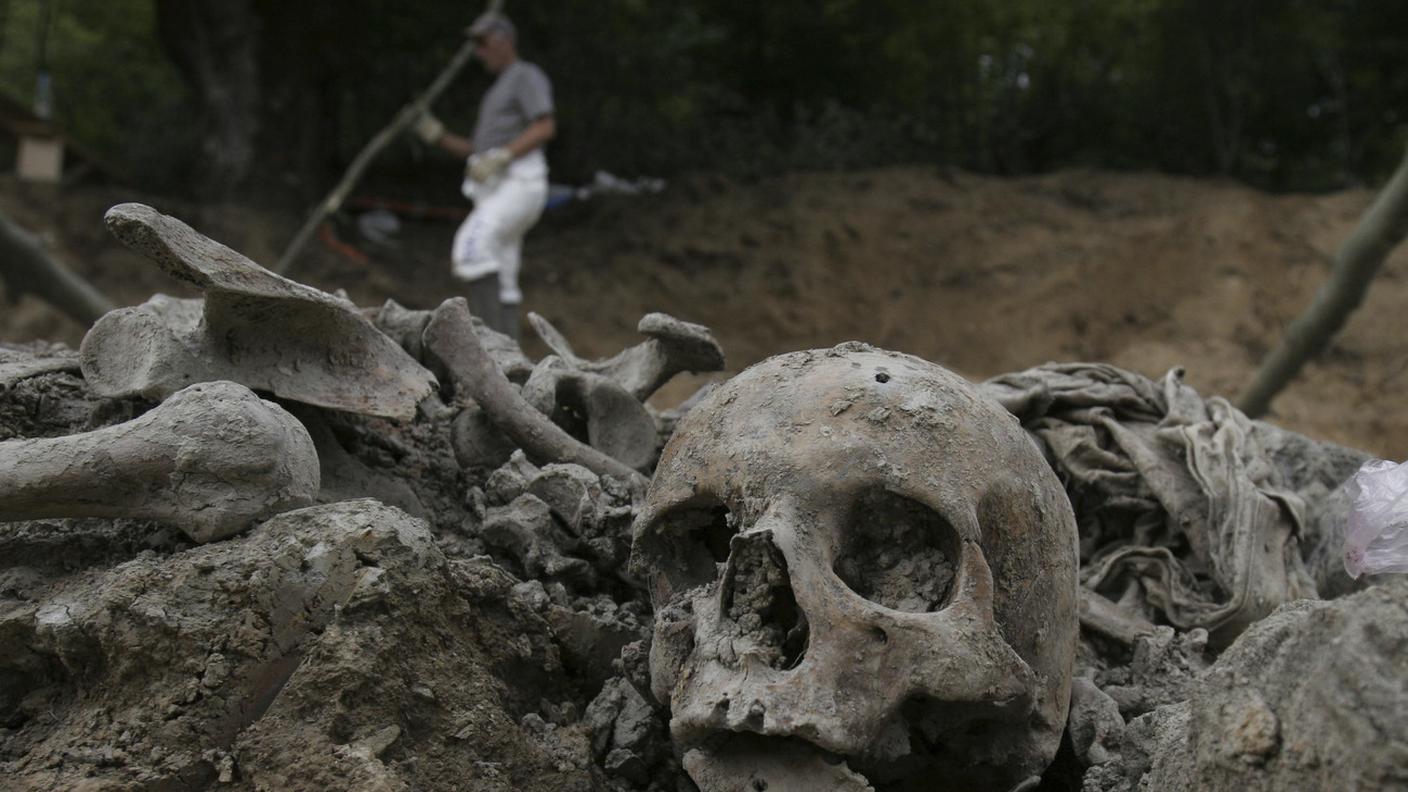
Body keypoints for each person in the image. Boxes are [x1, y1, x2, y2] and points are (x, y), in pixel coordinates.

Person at [414, 11, 554, 340]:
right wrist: (436, 135)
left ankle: (492, 353)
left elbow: (545, 126)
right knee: (503, 275)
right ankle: (512, 365)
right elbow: (477, 151)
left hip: (519, 181)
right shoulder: (495, 92)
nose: (479, 52)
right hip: (497, 188)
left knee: (471, 249)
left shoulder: (524, 76)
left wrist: (504, 156)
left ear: (504, 40)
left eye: (483, 43)